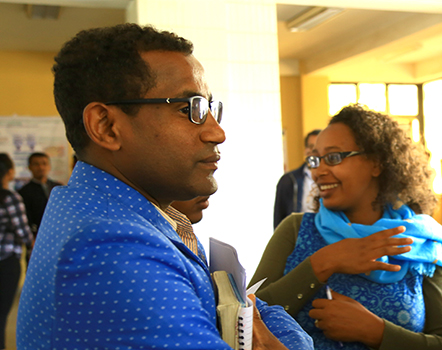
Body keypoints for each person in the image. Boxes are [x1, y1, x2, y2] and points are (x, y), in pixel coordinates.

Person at [17, 24, 311, 350]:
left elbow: (254, 309)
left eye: (210, 108)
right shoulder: (111, 247)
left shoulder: (136, 215)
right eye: (190, 109)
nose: (217, 132)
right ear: (106, 127)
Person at [250, 104, 442, 350]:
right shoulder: (295, 231)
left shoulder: (423, 243)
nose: (318, 172)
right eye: (315, 160)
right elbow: (246, 315)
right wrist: (323, 263)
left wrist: (376, 332)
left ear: (376, 163)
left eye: (334, 157)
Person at [0, 153, 34, 350]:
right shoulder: (10, 198)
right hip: (6, 261)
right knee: (2, 312)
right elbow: (23, 232)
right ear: (9, 172)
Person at [274, 129, 321, 228]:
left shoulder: (332, 178)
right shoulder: (288, 180)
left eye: (319, 148)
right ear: (306, 150)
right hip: (297, 234)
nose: (314, 152)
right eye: (311, 147)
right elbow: (279, 218)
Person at [18, 152, 62, 236]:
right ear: (29, 167)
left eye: (44, 164)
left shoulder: (58, 188)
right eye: (36, 164)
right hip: (37, 236)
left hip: (59, 233)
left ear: (49, 166)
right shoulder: (24, 192)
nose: (41, 167)